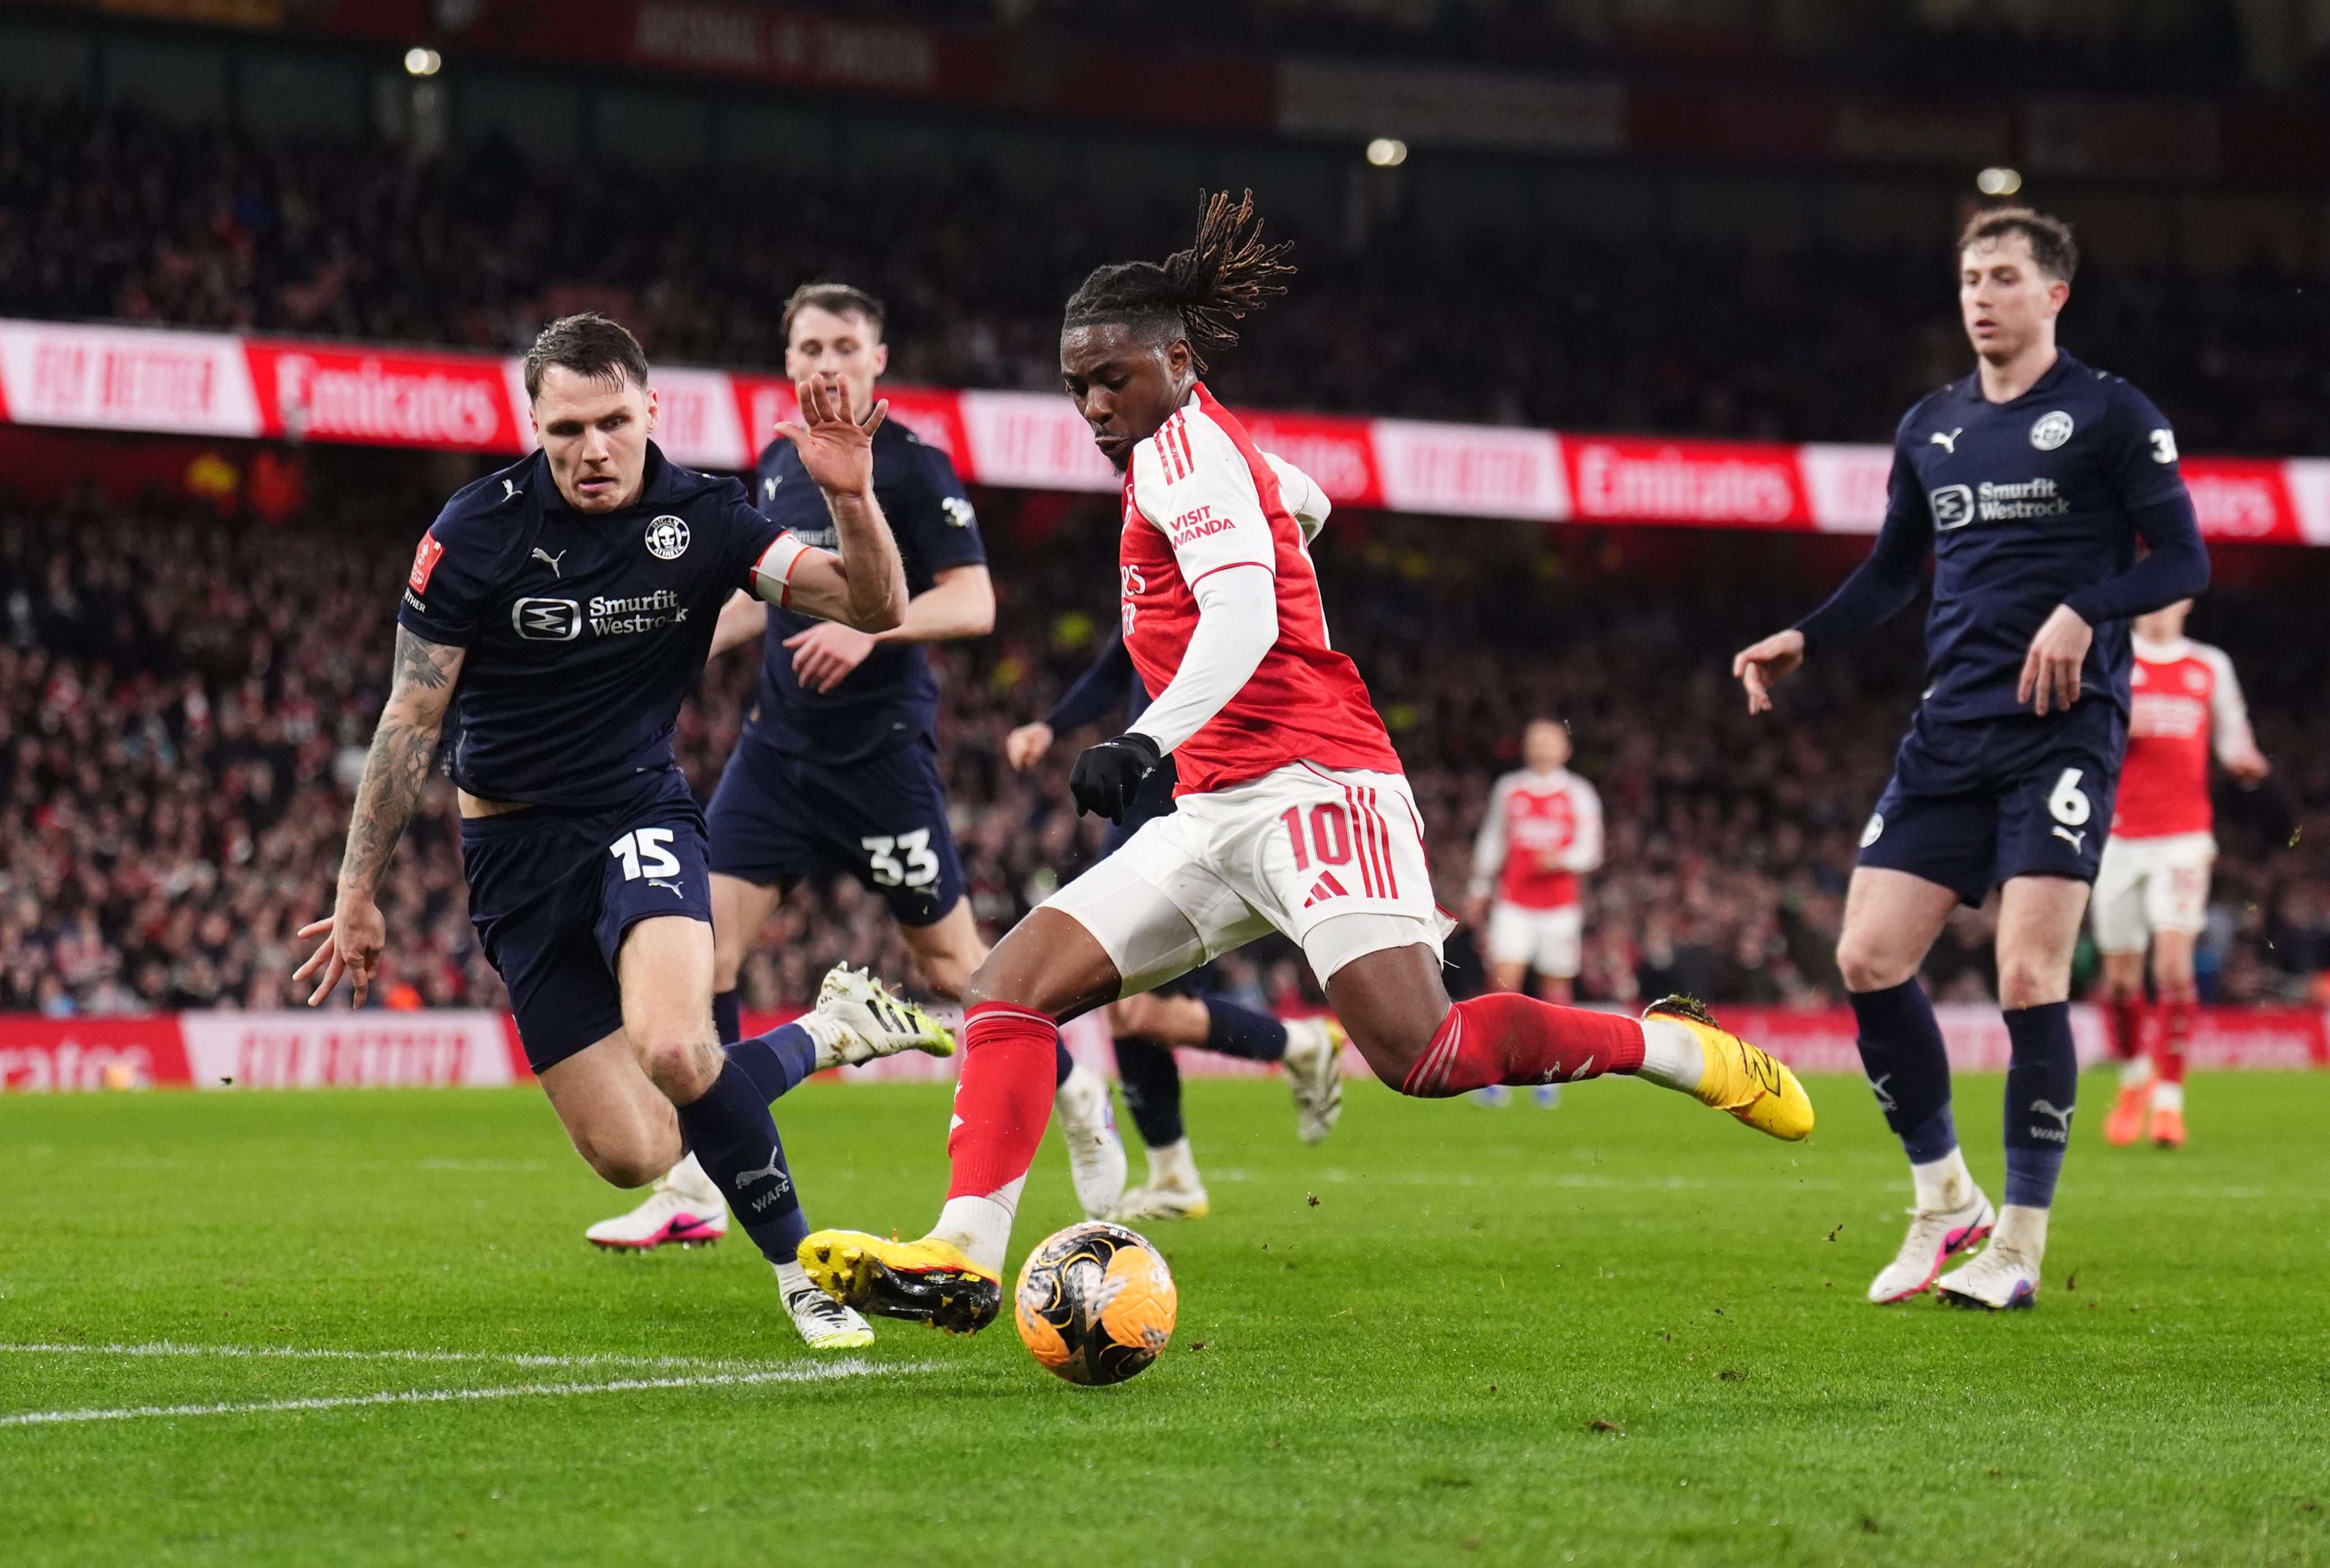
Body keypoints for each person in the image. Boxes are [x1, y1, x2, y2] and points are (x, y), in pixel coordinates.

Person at [795, 191, 1813, 1335]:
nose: (1090, 405)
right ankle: (964, 1254)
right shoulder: (1198, 446)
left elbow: (1237, 617)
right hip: (1218, 806)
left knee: (1421, 1053)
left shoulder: (1183, 461)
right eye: (1075, 382)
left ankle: (1670, 1046)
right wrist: (1275, 549)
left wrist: (1143, 737)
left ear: (1176, 360)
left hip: (1315, 784)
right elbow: (1308, 505)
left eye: (1111, 379)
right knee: (1007, 988)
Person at [294, 313, 954, 1350]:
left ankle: (800, 1272)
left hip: (638, 816)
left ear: (654, 409)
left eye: (611, 421)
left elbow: (874, 605)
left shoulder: (711, 519)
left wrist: (852, 494)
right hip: (510, 853)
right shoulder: (474, 531)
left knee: (677, 1044)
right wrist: (355, 891)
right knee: (634, 1151)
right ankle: (828, 1033)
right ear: (534, 424)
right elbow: (411, 715)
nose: (590, 449)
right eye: (565, 429)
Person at [1731, 207, 2210, 1311]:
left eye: (2002, 277)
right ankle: (1947, 1201)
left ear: (2053, 296)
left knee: (2028, 974)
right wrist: (1810, 631)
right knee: (1865, 955)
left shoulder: (2108, 413)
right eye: (1967, 279)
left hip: (2062, 730)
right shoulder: (1931, 425)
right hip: (1948, 730)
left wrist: (2084, 609)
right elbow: (1897, 569)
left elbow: (2183, 555)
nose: (1980, 297)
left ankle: (2021, 1249)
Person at [585, 285, 1127, 1251]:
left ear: (879, 360)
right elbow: (762, 597)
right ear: (787, 361)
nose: (825, 363)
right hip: (778, 753)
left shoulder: (915, 467)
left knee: (962, 970)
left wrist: (872, 631)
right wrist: (668, 643)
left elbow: (973, 602)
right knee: (707, 951)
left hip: (880, 764)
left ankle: (1079, 1093)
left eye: (844, 345)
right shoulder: (777, 464)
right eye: (807, 346)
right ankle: (699, 1184)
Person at [1007, 551, 1349, 1223]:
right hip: (1134, 811)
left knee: (1142, 1012)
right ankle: (1174, 1174)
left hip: (1198, 810)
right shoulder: (1156, 567)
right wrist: (1052, 724)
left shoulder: (1235, 580)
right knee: (1121, 998)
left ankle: (1301, 1047)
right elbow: (1118, 660)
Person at [2091, 598, 2268, 1149]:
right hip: (2116, 839)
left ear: (2187, 600)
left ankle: (2169, 1103)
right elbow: (2080, 735)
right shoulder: (2112, 655)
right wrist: (2120, 728)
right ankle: (2133, 1080)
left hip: (2184, 839)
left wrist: (2246, 765)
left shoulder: (2209, 664)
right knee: (2121, 980)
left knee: (2173, 965)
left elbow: (2237, 741)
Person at [1466, 716, 1604, 1107]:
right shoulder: (1509, 789)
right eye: (1535, 741)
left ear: (1566, 749)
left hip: (1559, 909)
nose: (1542, 747)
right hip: (1513, 903)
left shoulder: (1578, 792)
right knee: (1503, 985)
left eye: (1550, 741)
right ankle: (1494, 1070)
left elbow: (1591, 847)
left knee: (1554, 991)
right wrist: (1478, 887)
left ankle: (1551, 1071)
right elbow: (1492, 839)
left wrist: (1562, 859)